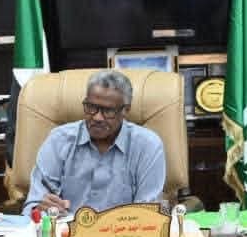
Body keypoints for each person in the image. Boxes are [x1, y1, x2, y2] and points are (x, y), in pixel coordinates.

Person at [22, 69, 167, 216]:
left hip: (123, 229)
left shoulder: (147, 146)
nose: (97, 117)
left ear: (125, 110)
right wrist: (40, 209)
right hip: (65, 228)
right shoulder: (59, 140)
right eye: (91, 107)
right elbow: (32, 208)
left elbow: (147, 214)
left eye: (108, 111)